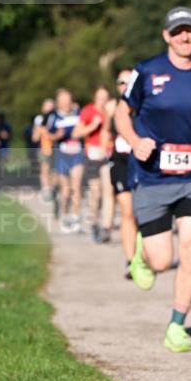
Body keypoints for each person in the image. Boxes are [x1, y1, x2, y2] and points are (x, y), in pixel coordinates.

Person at [114, 6, 191, 351]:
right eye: (177, 32)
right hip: (153, 177)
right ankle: (140, 257)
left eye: (189, 30)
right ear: (166, 36)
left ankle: (177, 324)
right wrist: (134, 141)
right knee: (162, 260)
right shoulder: (146, 71)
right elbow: (121, 112)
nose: (184, 36)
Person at [106, 69, 138, 278]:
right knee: (126, 210)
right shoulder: (112, 107)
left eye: (128, 82)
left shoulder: (145, 105)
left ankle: (145, 253)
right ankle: (130, 260)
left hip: (142, 161)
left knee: (142, 211)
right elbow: (105, 133)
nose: (124, 86)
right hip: (120, 161)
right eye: (120, 82)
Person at [73, 86, 114, 243]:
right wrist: (92, 126)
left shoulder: (111, 111)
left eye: (105, 98)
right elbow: (75, 133)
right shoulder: (88, 111)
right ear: (95, 98)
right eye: (100, 98)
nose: (102, 101)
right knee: (95, 193)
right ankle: (95, 222)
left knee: (108, 191)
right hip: (92, 155)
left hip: (108, 154)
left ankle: (106, 227)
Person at [47, 89, 84, 232]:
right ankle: (65, 215)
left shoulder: (79, 113)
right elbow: (48, 135)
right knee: (66, 190)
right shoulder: (54, 117)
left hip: (77, 154)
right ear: (59, 102)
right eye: (63, 100)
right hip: (62, 156)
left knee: (76, 186)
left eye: (68, 100)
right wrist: (57, 135)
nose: (66, 103)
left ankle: (75, 217)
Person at [31, 98, 55, 198]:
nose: (49, 108)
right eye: (47, 106)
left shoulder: (56, 118)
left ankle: (54, 188)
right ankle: (46, 189)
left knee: (55, 170)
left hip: (56, 147)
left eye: (51, 106)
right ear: (43, 108)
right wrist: (40, 130)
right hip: (44, 147)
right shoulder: (39, 119)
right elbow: (35, 138)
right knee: (45, 169)